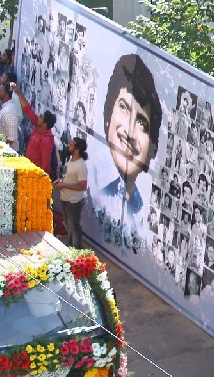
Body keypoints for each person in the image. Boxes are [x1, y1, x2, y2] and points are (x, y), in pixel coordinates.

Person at [89, 54, 162, 254]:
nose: (129, 132)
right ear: (108, 116)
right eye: (124, 108)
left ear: (152, 149)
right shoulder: (91, 181)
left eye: (142, 123)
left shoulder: (141, 208)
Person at [56, 137, 89, 248]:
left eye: (71, 145)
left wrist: (64, 185)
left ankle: (77, 250)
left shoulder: (81, 166)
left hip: (74, 201)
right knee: (68, 225)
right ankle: (70, 247)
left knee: (74, 227)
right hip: (66, 198)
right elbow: (68, 177)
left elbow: (82, 186)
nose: (68, 146)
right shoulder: (71, 160)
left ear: (77, 150)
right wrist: (61, 181)